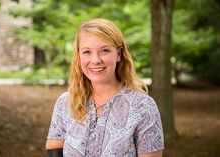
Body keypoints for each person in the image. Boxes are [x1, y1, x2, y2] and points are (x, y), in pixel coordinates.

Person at [46, 18, 164, 157]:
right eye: (87, 52)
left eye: (104, 50)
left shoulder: (143, 106)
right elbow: (54, 148)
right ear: (79, 56)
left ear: (118, 54)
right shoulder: (65, 102)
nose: (95, 60)